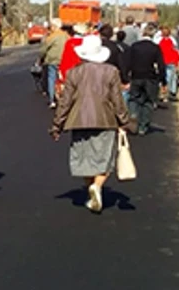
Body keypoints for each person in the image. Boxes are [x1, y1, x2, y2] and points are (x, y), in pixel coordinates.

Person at [49, 34, 133, 213]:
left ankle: (91, 189)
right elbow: (117, 101)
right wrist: (124, 121)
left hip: (78, 120)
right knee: (104, 159)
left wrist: (57, 125)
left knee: (84, 159)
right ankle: (98, 186)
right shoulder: (111, 72)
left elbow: (65, 101)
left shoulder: (73, 73)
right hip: (105, 119)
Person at [127, 24, 168, 135]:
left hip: (136, 76)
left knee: (134, 98)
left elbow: (128, 61)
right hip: (150, 78)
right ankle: (143, 126)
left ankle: (133, 113)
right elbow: (161, 65)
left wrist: (127, 76)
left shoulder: (134, 46)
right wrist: (163, 80)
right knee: (148, 102)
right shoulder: (155, 48)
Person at [38, 18, 68, 108]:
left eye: (51, 26)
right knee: (64, 79)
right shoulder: (66, 35)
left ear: (54, 27)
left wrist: (40, 58)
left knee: (51, 79)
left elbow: (44, 49)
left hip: (52, 60)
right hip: (63, 60)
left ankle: (52, 100)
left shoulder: (51, 37)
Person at [158, 26, 179, 102]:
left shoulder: (159, 41)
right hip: (171, 61)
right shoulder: (172, 41)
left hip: (163, 62)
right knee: (173, 77)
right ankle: (172, 92)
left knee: (164, 78)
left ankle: (163, 93)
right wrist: (177, 62)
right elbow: (176, 51)